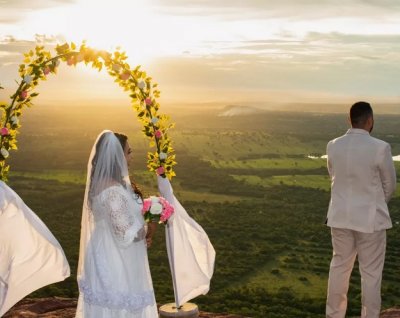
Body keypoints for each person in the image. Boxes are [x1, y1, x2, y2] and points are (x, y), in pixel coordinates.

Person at [325, 101, 397, 318]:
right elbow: (390, 185)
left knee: (339, 268)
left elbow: (333, 177)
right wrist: (374, 203)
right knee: (371, 274)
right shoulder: (380, 147)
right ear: (370, 120)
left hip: (339, 218)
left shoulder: (333, 145)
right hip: (370, 221)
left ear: (350, 120)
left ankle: (334, 315)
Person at [76, 130, 158, 318]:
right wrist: (150, 228)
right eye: (129, 152)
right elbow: (125, 233)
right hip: (114, 258)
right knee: (119, 306)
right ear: (116, 156)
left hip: (102, 248)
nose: (131, 157)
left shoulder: (101, 183)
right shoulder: (113, 190)